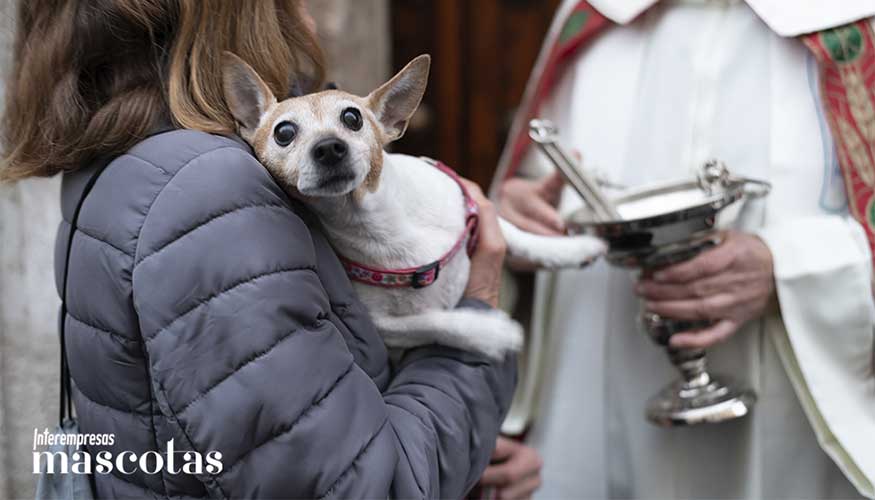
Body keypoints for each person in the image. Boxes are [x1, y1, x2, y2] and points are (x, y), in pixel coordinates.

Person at [0, 1, 516, 498]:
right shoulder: (212, 192)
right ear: (240, 12)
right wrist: (478, 322)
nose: (306, 12)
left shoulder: (124, 160)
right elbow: (364, 487)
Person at [492, 0, 875, 498]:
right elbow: (526, 200)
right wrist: (513, 223)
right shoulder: (595, 14)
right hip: (598, 429)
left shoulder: (851, 23)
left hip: (791, 442)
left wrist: (788, 270)